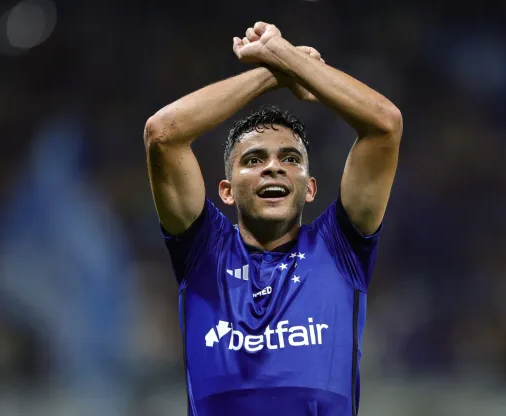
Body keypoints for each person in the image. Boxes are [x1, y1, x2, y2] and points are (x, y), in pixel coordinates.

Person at [143, 21, 402, 416]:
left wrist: (285, 56)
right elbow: (162, 133)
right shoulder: (204, 251)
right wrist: (278, 69)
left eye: (290, 158)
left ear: (311, 188)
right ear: (226, 191)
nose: (273, 168)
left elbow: (385, 126)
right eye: (253, 160)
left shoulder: (339, 248)